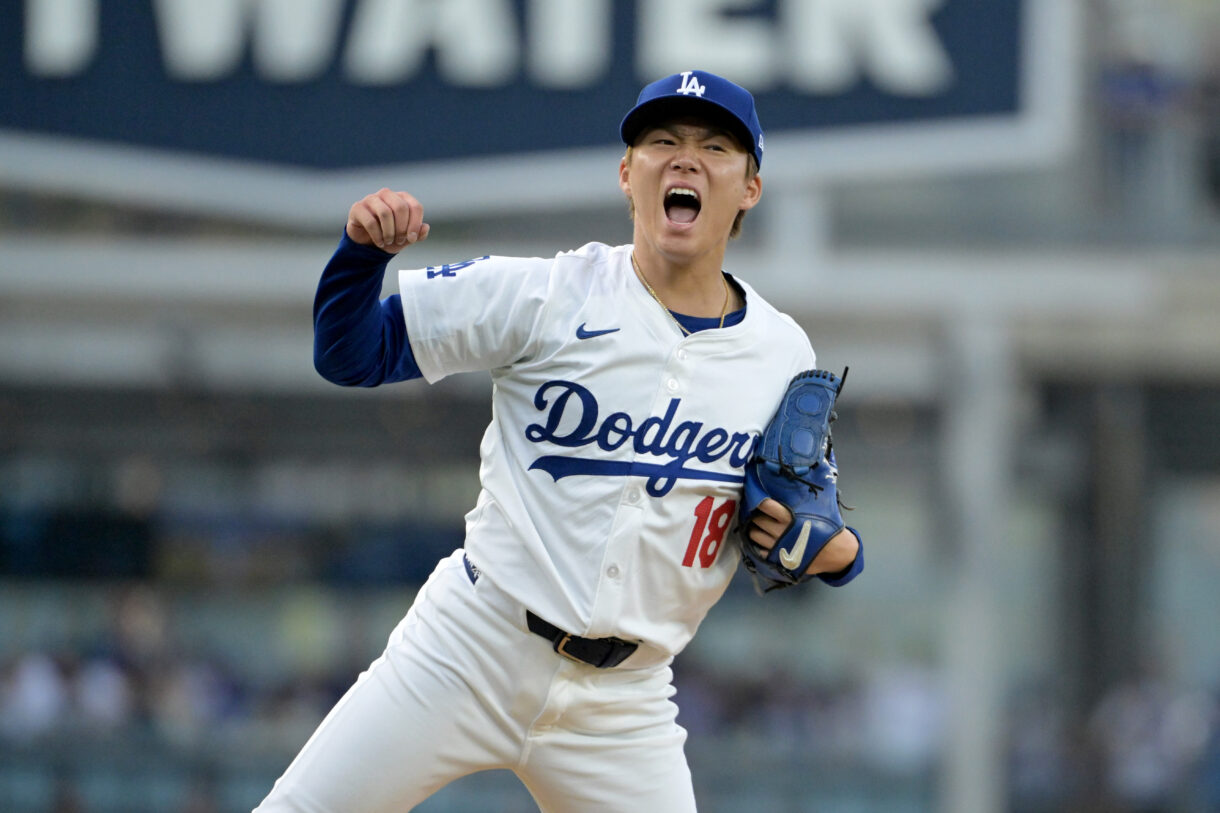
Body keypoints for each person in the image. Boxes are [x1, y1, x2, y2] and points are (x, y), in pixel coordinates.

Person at [256, 69, 862, 812]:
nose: (685, 159)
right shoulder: (548, 294)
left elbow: (811, 516)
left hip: (625, 702)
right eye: (662, 141)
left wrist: (843, 554)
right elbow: (349, 352)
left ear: (750, 189)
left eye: (716, 147)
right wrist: (360, 256)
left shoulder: (780, 353)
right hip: (472, 645)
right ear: (626, 174)